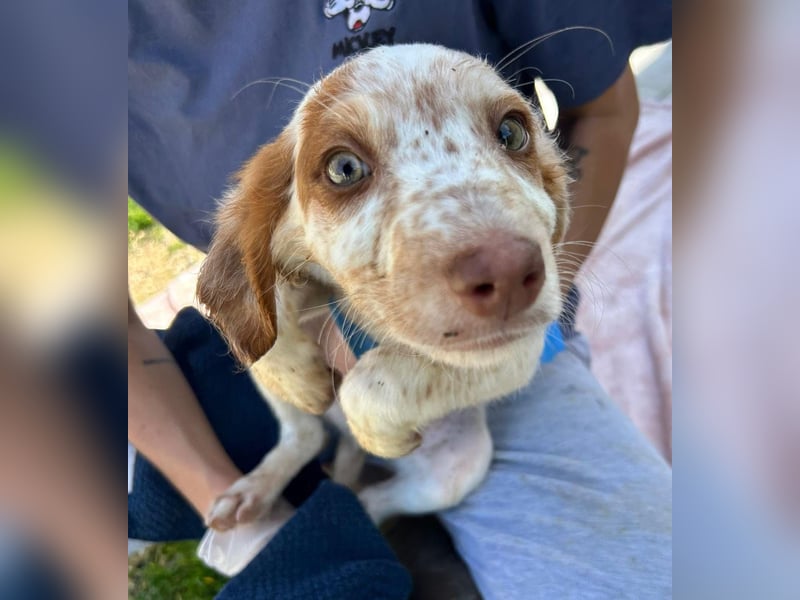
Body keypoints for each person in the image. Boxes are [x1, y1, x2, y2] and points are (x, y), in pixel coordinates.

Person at [128, 2, 672, 598]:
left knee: (638, 573)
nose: (500, 257)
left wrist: (547, 294)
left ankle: (372, 506)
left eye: (509, 134)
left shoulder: (529, 246)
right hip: (256, 357)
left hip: (488, 396)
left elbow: (606, 110)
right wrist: (272, 358)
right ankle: (295, 451)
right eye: (345, 167)